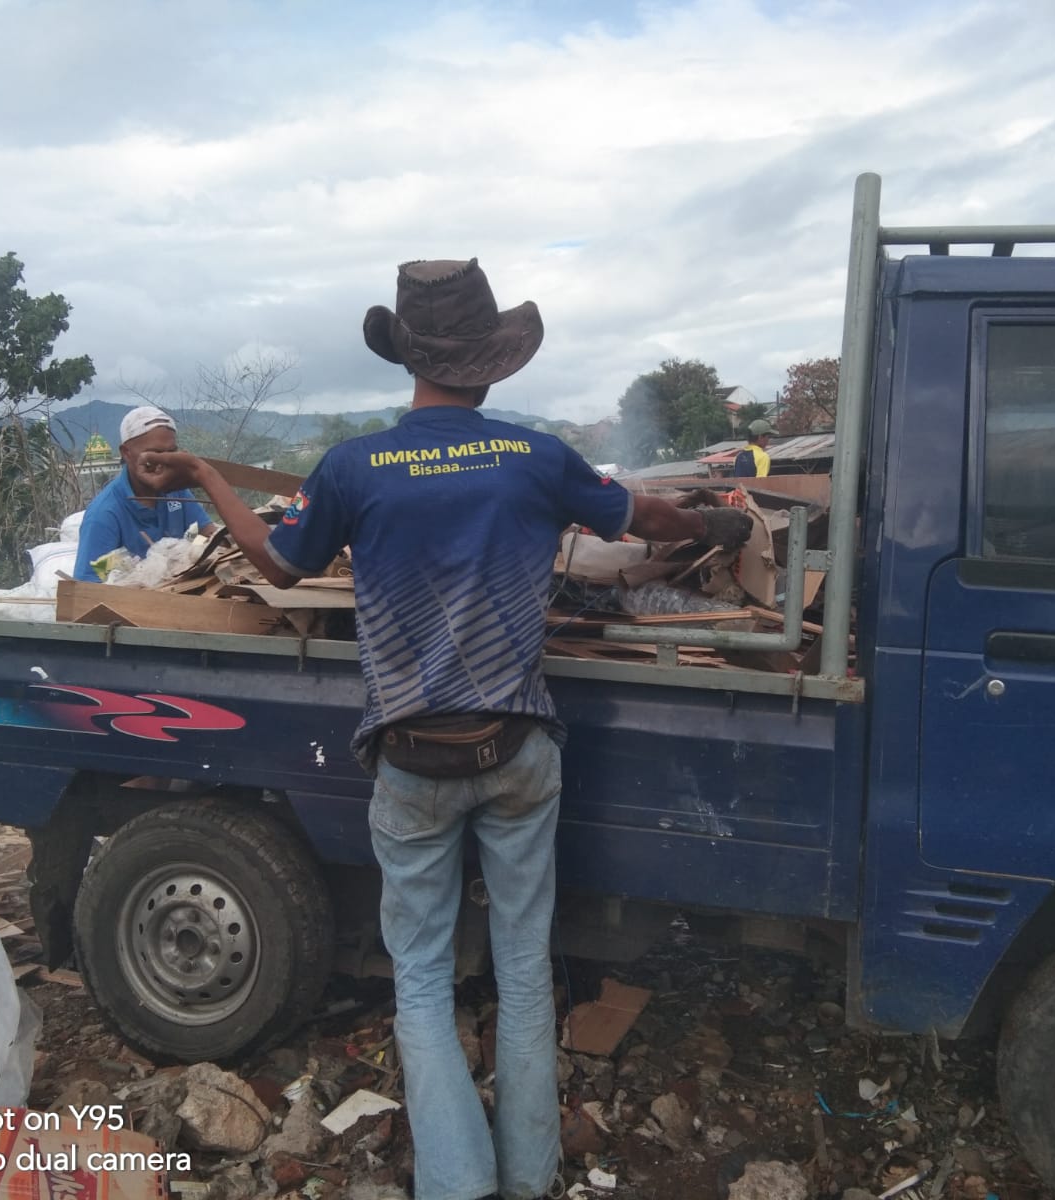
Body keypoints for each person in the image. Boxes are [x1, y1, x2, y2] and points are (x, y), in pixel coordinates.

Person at [138, 258, 752, 1200]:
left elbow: (280, 564)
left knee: (421, 981)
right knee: (522, 965)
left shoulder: (352, 468)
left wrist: (208, 474)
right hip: (517, 752)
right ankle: (531, 1172)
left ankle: (457, 1186)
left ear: (409, 362)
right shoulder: (535, 458)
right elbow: (645, 518)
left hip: (411, 762)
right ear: (493, 366)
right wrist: (719, 522)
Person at [71, 406, 217, 581]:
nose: (164, 462)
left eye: (171, 453)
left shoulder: (176, 490)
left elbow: (208, 534)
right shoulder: (105, 514)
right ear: (126, 452)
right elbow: (88, 587)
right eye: (154, 453)